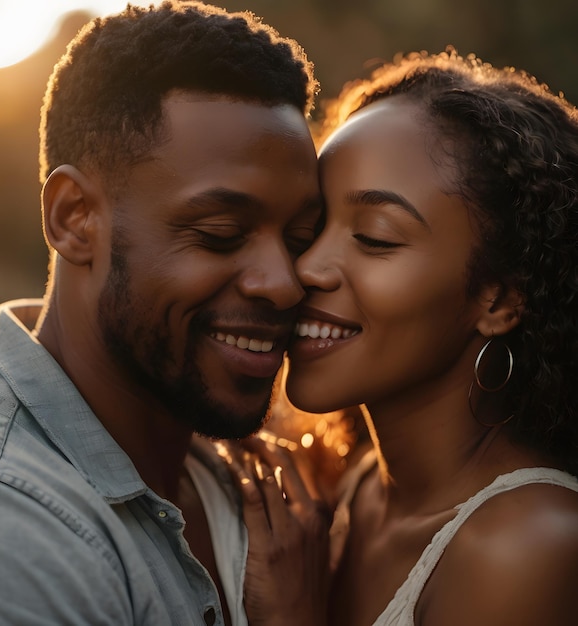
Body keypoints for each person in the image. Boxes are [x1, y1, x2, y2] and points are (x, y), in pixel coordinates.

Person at [0, 2, 329, 624]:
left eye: (300, 236)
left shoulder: (245, 482)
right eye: (221, 232)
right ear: (75, 218)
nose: (284, 285)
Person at [232, 48, 578, 625]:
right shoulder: (355, 484)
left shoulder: (528, 547)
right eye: (311, 227)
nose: (309, 267)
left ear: (499, 300)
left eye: (374, 237)